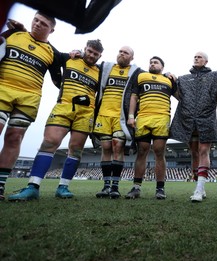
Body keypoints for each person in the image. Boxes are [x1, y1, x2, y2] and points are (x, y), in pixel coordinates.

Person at [8, 39, 104, 201]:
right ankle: (33, 186)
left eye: (96, 54)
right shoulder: (69, 59)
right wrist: (59, 78)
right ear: (84, 49)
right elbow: (52, 55)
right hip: (64, 107)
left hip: (86, 113)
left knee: (76, 149)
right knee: (49, 142)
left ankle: (63, 187)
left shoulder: (100, 72)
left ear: (100, 56)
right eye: (89, 51)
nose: (92, 55)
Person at [0, 11, 62, 201]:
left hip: (29, 99)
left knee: (14, 137)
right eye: (35, 20)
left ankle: (0, 186)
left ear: (51, 30)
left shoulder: (52, 52)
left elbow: (59, 79)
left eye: (43, 23)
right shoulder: (13, 34)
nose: (37, 24)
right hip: (3, 90)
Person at [169, 51, 217, 202]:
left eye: (199, 57)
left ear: (206, 61)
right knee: (194, 153)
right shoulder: (184, 79)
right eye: (195, 56)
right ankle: (199, 187)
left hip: (206, 118)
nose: (196, 58)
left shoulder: (215, 76)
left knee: (203, 151)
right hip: (187, 119)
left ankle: (199, 189)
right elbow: (177, 94)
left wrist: (214, 104)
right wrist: (169, 76)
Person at [125, 56, 177, 200]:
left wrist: (175, 79)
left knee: (159, 151)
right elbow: (134, 97)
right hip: (143, 118)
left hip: (162, 118)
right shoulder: (141, 76)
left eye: (156, 62)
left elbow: (180, 96)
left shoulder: (169, 80)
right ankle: (136, 187)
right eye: (151, 62)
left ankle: (160, 189)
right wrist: (130, 115)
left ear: (162, 67)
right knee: (142, 151)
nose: (153, 64)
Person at [93, 46, 140, 199]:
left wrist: (166, 73)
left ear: (132, 58)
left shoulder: (136, 72)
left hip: (120, 116)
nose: (121, 54)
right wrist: (77, 53)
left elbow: (151, 77)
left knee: (117, 146)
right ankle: (106, 186)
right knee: (105, 147)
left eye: (126, 52)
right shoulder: (106, 67)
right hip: (103, 115)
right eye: (120, 51)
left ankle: (115, 186)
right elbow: (89, 63)